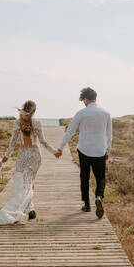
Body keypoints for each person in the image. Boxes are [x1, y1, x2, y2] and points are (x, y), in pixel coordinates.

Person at [0, 100, 60, 225]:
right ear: (34, 111)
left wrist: (6, 156)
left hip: (23, 155)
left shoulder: (17, 123)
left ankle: (30, 209)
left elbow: (13, 142)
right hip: (35, 155)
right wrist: (54, 151)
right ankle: (30, 209)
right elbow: (43, 142)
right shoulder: (37, 123)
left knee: (21, 183)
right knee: (29, 182)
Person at [55, 87, 112, 219]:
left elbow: (70, 131)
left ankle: (86, 204)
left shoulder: (81, 113)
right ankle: (99, 196)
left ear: (85, 99)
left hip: (84, 149)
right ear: (95, 98)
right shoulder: (106, 113)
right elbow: (109, 135)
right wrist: (108, 150)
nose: (83, 102)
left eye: (83, 100)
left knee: (84, 176)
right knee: (100, 177)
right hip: (100, 150)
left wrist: (60, 147)